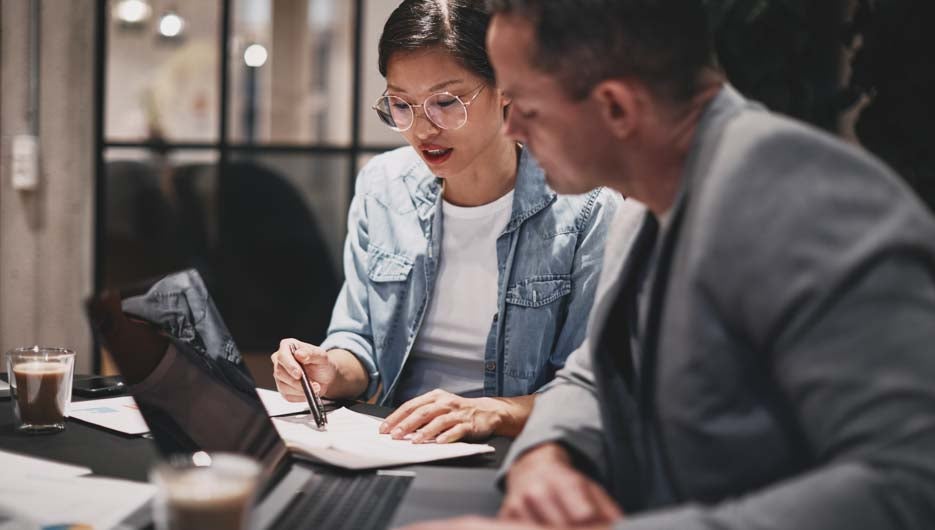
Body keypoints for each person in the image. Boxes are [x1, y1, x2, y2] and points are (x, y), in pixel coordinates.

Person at [402, 0, 935, 529]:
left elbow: (910, 482)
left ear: (616, 108)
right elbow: (594, 376)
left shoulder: (804, 200)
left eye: (525, 105)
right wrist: (549, 456)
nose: (511, 126)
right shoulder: (646, 204)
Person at [271, 0, 625, 445]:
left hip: (521, 452)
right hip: (394, 439)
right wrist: (328, 370)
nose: (422, 128)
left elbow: (591, 389)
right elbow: (358, 340)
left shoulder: (586, 207)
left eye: (445, 102)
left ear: (506, 88)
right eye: (401, 104)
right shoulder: (383, 187)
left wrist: (491, 413)